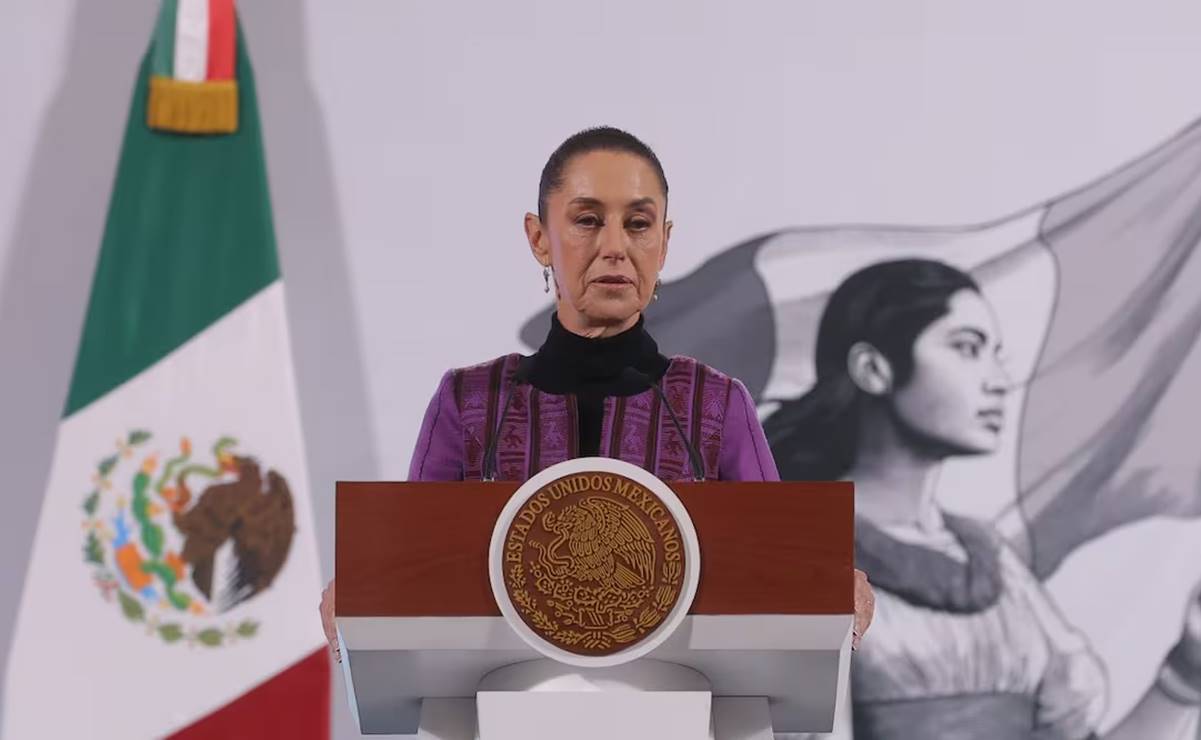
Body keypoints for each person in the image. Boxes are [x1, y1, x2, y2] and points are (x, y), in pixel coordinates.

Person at [320, 126, 875, 664]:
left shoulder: (715, 406)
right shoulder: (469, 403)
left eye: (638, 224)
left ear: (664, 243)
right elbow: (414, 574)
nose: (615, 247)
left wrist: (823, 585)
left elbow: (779, 568)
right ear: (539, 238)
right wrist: (369, 591)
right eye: (587, 220)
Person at [765, 258, 1201, 739]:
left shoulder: (995, 564)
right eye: (967, 348)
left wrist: (1185, 674)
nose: (997, 380)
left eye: (996, 354)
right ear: (873, 369)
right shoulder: (786, 553)